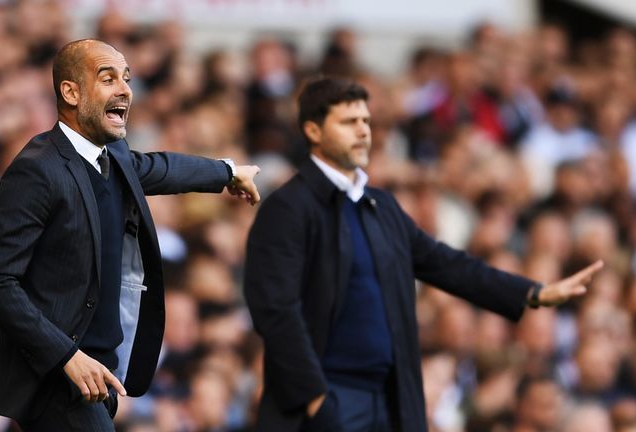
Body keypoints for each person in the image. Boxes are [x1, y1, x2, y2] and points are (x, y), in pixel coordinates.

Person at [243, 77, 602, 431]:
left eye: (366, 121)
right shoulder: (288, 208)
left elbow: (446, 264)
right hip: (328, 399)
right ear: (314, 131)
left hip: (390, 397)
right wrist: (316, 400)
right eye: (349, 122)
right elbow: (276, 311)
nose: (363, 131)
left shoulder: (380, 206)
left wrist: (532, 292)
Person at [0, 39, 260, 431]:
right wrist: (66, 356)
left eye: (126, 78)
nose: (125, 89)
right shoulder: (38, 170)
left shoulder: (114, 156)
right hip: (57, 381)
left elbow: (160, 168)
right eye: (108, 78)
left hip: (99, 378)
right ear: (70, 92)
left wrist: (227, 172)